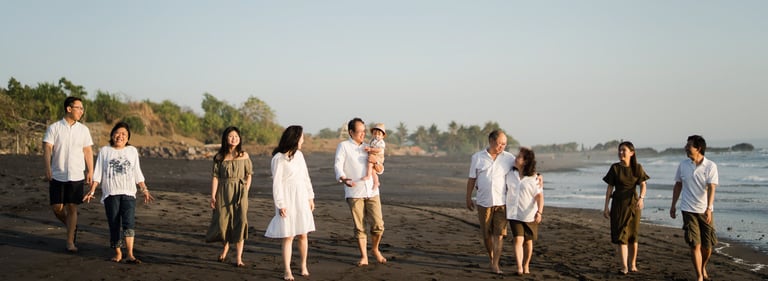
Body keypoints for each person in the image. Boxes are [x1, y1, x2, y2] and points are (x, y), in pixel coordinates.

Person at [83, 122, 155, 263]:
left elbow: (137, 172)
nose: (120, 136)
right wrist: (92, 191)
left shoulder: (132, 151)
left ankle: (130, 254)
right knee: (114, 223)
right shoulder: (105, 151)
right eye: (118, 133)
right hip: (111, 193)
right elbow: (98, 174)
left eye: (124, 134)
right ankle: (118, 253)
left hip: (129, 193)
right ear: (112, 134)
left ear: (128, 138)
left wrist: (144, 189)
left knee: (129, 223)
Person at [43, 96, 94, 252]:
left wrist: (90, 170)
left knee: (72, 207)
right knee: (57, 208)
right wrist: (47, 168)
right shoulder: (54, 128)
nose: (81, 111)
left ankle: (70, 241)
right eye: (79, 108)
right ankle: (70, 226)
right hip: (57, 174)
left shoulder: (83, 130)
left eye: (82, 109)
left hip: (76, 174)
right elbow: (47, 148)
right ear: (69, 108)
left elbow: (87, 151)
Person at [265, 125, 316, 281]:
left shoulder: (299, 156)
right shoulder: (278, 158)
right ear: (294, 138)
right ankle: (287, 270)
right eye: (301, 137)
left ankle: (303, 265)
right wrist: (280, 204)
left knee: (303, 233)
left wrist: (310, 196)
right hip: (287, 197)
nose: (303, 140)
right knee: (288, 235)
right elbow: (277, 184)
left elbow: (305, 177)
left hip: (301, 195)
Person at [334, 117, 387, 266]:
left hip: (372, 190)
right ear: (351, 132)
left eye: (364, 131)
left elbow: (381, 169)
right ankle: (364, 256)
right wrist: (344, 179)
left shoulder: (369, 146)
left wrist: (376, 162)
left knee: (378, 225)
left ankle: (375, 249)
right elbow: (338, 165)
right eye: (360, 132)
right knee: (360, 226)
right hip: (354, 191)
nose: (363, 135)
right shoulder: (343, 146)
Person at [465, 129, 515, 274]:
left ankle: (495, 264)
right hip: (483, 202)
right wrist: (468, 197)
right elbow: (472, 179)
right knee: (486, 235)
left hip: (502, 203)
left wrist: (538, 176)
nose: (502, 147)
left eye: (504, 144)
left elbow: (524, 168)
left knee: (499, 234)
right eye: (500, 144)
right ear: (492, 141)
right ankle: (491, 256)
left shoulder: (509, 158)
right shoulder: (477, 157)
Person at [670, 135, 719, 281]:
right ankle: (699, 276)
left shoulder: (710, 166)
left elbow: (711, 188)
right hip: (688, 209)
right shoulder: (683, 165)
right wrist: (673, 205)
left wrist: (709, 208)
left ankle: (703, 266)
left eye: (689, 145)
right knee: (694, 245)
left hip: (704, 211)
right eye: (686, 145)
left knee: (707, 246)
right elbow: (678, 185)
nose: (686, 147)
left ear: (698, 148)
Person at [205, 126, 253, 267]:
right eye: (231, 136)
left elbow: (249, 175)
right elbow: (215, 177)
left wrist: (245, 190)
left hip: (240, 191)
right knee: (223, 221)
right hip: (223, 191)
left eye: (236, 136)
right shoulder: (219, 157)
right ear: (226, 138)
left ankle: (239, 257)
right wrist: (213, 196)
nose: (234, 139)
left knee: (241, 221)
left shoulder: (244, 155)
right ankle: (225, 247)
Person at [602, 141, 649, 275]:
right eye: (620, 150)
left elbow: (643, 185)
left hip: (634, 205)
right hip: (618, 205)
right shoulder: (615, 168)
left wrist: (641, 198)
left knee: (633, 236)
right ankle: (624, 267)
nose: (621, 153)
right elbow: (609, 188)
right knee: (621, 236)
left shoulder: (637, 168)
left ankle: (633, 264)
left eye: (624, 150)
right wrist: (606, 207)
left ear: (631, 153)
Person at [505, 147, 543, 276]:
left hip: (529, 215)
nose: (516, 158)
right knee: (518, 240)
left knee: (528, 241)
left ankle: (526, 265)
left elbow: (539, 196)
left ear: (526, 161)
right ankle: (519, 267)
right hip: (514, 213)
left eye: (519, 157)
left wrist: (540, 212)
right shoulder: (510, 174)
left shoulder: (534, 178)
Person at [362, 123, 386, 189]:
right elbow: (369, 146)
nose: (377, 136)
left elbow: (379, 150)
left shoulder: (381, 142)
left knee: (370, 165)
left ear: (383, 136)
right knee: (373, 171)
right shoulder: (372, 141)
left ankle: (368, 176)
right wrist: (368, 148)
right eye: (375, 133)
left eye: (379, 134)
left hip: (378, 156)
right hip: (373, 155)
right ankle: (376, 182)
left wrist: (370, 149)